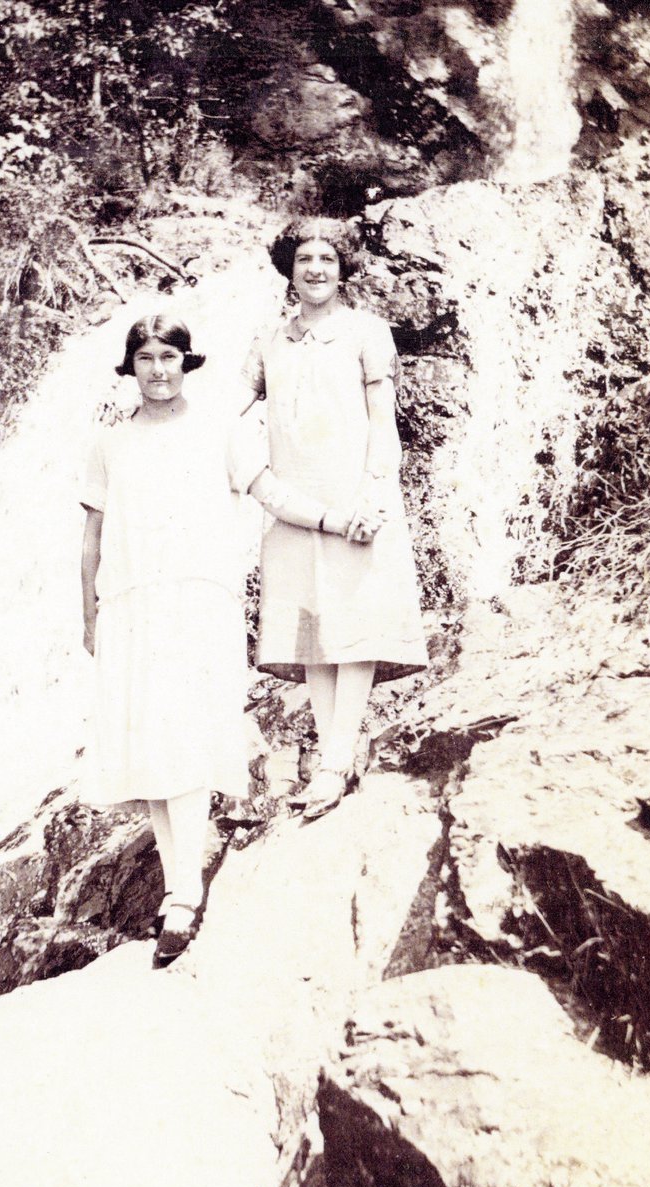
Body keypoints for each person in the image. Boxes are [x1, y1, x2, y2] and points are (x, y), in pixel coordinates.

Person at [80, 312, 373, 964]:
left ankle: (184, 894)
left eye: (170, 356)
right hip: (129, 606)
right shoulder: (108, 442)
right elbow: (93, 536)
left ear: (188, 362)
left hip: (196, 599)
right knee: (148, 749)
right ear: (131, 367)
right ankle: (178, 887)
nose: (158, 368)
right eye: (147, 357)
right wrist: (90, 613)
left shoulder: (219, 428)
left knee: (182, 736)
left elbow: (268, 491)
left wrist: (330, 518)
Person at [240, 217, 429, 820]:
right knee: (314, 632)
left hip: (356, 497)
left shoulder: (366, 331)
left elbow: (383, 419)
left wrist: (376, 493)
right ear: (288, 270)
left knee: (356, 626)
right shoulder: (269, 340)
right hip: (296, 502)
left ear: (343, 268)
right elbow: (228, 407)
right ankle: (334, 758)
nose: (315, 268)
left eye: (326, 258)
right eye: (303, 259)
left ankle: (334, 761)